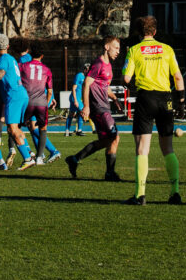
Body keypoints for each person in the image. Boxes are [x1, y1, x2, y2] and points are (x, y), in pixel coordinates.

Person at [122, 16, 186, 206]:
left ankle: (140, 195)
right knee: (168, 148)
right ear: (155, 32)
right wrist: (180, 102)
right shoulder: (167, 49)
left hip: (145, 99)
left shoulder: (134, 50)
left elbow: (126, 78)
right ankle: (175, 193)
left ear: (139, 33)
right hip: (165, 99)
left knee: (142, 149)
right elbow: (178, 77)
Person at [65, 38, 121, 182]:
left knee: (106, 141)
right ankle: (110, 173)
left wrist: (114, 98)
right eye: (115, 48)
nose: (118, 51)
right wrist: (87, 106)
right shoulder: (98, 63)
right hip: (99, 108)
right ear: (106, 47)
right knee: (115, 137)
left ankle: (74, 159)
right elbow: (86, 84)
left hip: (104, 106)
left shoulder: (108, 66)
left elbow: (105, 86)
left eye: (119, 49)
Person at [0, 34, 35, 170]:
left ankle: (27, 158)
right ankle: (29, 152)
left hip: (13, 96)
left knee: (12, 129)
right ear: (7, 46)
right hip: (22, 94)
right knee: (14, 128)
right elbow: (0, 68)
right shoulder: (10, 58)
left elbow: (0, 74)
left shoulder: (3, 59)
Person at [19, 50, 61, 165]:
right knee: (33, 128)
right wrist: (49, 99)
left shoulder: (23, 61)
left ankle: (51, 151)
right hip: (41, 99)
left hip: (31, 99)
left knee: (31, 127)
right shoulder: (43, 67)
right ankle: (40, 154)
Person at [65, 65, 89, 136]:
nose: (88, 71)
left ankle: (67, 131)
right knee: (82, 112)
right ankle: (79, 130)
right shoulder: (79, 75)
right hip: (75, 98)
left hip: (78, 98)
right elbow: (74, 88)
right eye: (88, 70)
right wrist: (75, 100)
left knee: (72, 114)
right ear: (85, 69)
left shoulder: (86, 78)